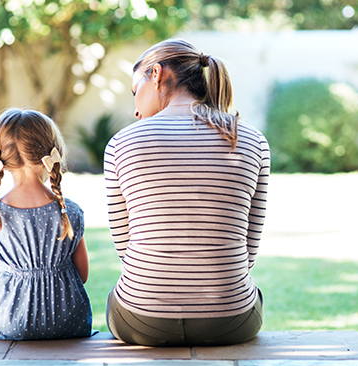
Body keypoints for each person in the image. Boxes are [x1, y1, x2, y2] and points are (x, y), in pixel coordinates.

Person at [104, 39, 270, 346]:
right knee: (252, 294)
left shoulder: (121, 143)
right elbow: (248, 248)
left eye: (135, 91)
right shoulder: (252, 140)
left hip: (141, 321)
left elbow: (126, 248)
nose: (135, 109)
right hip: (230, 321)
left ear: (156, 74)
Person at [0, 108, 92, 340]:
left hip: (8, 323)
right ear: (52, 153)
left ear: (1, 158)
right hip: (67, 321)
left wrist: (12, 271)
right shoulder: (70, 211)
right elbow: (82, 274)